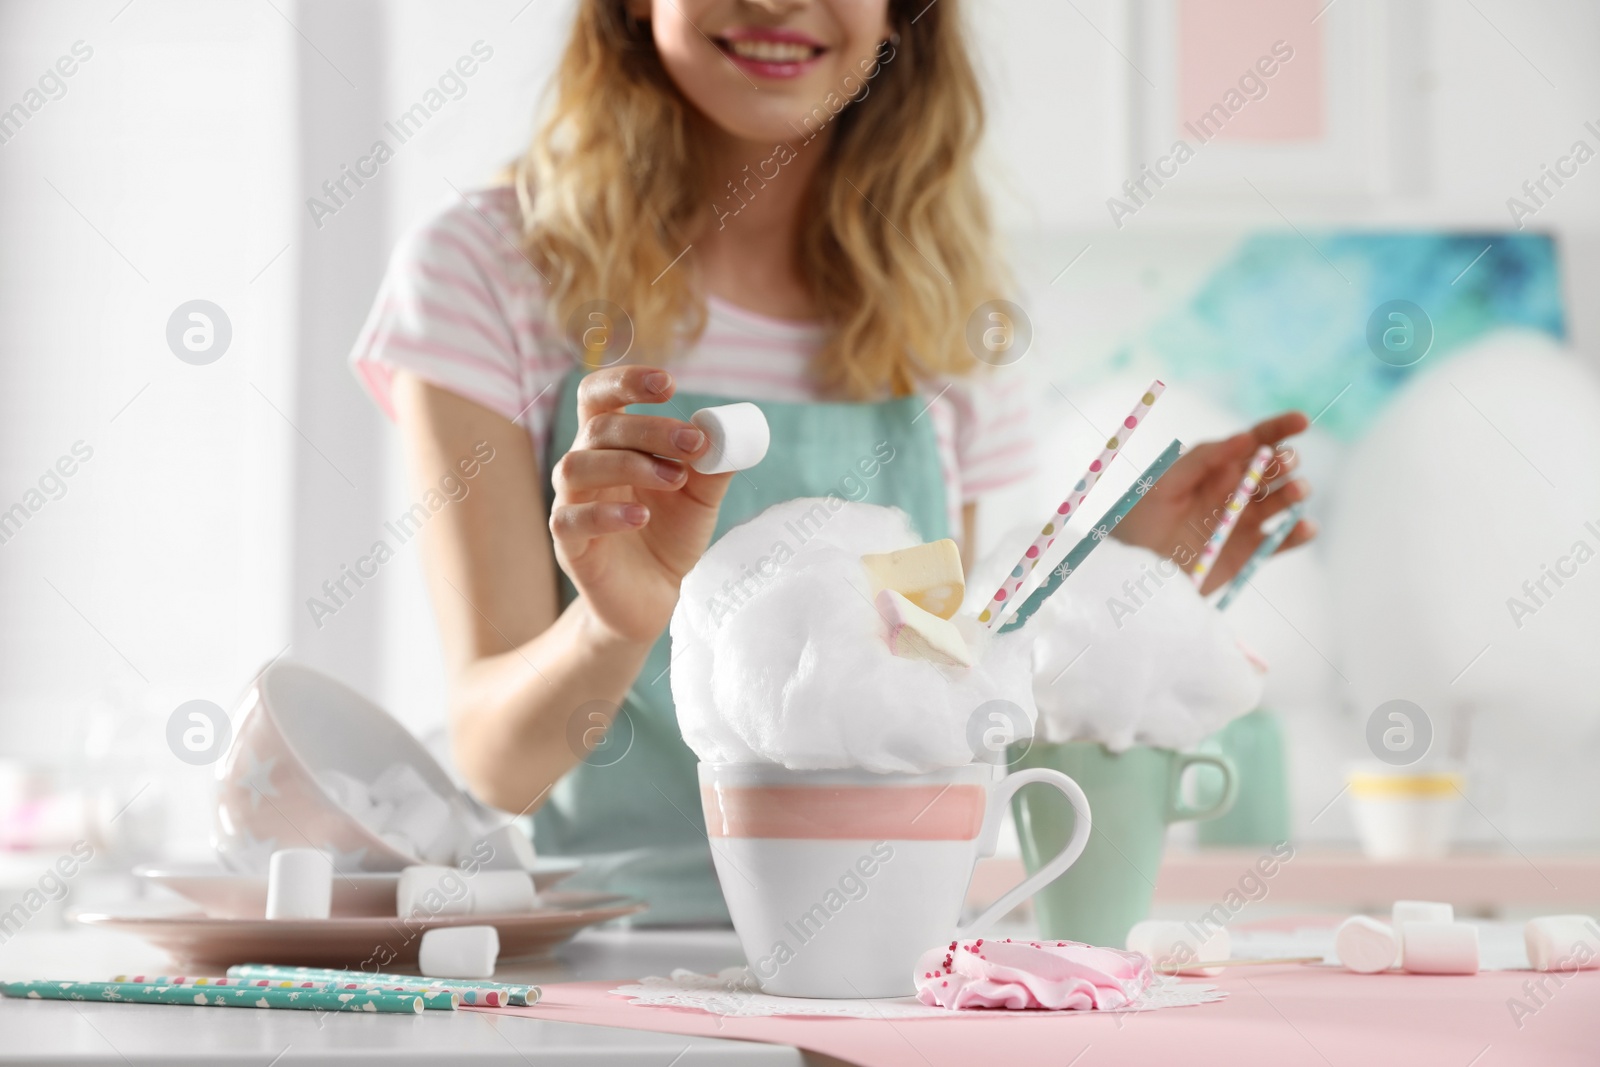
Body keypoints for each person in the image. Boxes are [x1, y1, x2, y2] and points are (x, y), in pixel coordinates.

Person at [349, 0, 1313, 922]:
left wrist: (1117, 586)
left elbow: (942, 688)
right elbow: (495, 765)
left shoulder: (951, 305)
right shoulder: (484, 269)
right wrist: (611, 626)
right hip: (620, 955)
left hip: (906, 945)